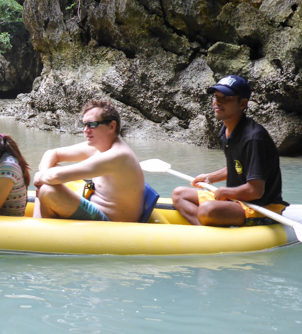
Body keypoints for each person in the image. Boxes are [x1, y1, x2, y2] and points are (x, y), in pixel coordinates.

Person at [171, 75, 288, 226]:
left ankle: (211, 227)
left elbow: (255, 191)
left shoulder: (253, 138)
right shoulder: (226, 130)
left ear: (243, 103)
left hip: (260, 206)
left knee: (207, 209)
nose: (217, 102)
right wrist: (209, 177)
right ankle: (204, 232)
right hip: (236, 200)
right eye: (216, 96)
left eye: (226, 97)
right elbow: (238, 166)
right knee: (179, 194)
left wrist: (225, 192)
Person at [33, 99, 145, 222]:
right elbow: (52, 153)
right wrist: (43, 176)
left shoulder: (118, 156)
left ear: (111, 126)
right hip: (92, 207)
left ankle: (40, 234)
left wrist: (40, 178)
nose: (85, 130)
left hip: (111, 224)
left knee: (48, 189)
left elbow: (56, 177)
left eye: (92, 124)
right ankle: (38, 226)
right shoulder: (99, 147)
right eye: (84, 124)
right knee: (49, 175)